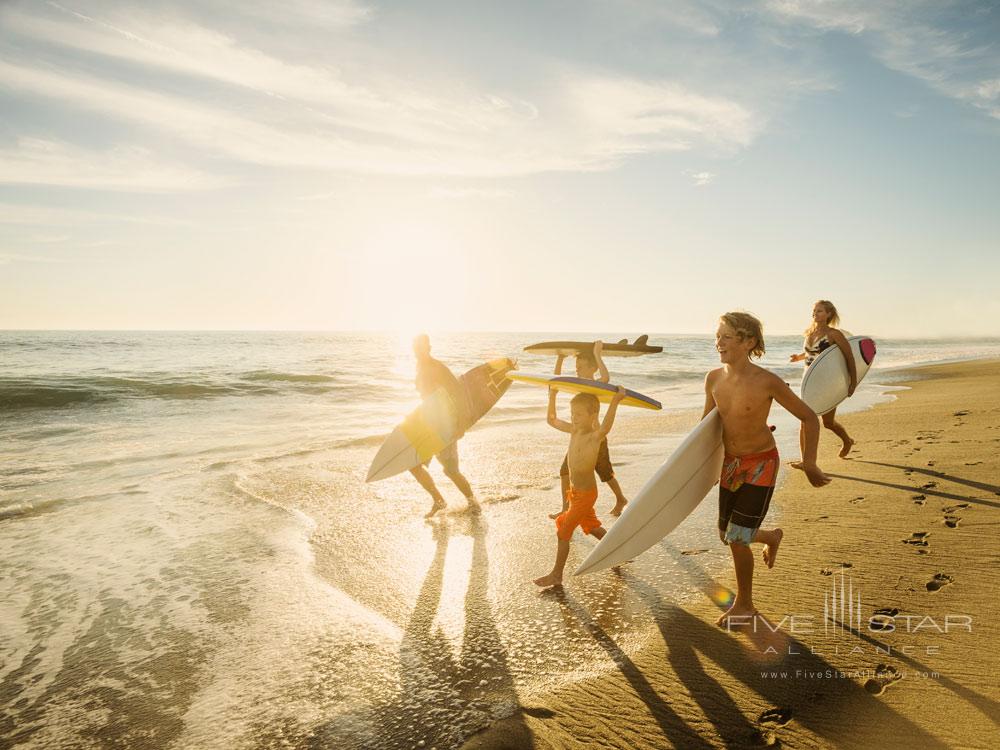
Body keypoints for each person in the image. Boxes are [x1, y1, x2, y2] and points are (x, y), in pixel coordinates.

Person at [705, 312, 830, 627]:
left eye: (726, 337)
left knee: (736, 537)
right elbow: (706, 428)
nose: (718, 343)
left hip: (761, 463)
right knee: (727, 535)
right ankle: (771, 537)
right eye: (717, 336)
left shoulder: (767, 381)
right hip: (731, 464)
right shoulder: (713, 379)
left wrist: (810, 461)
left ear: (748, 341)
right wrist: (700, 474)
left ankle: (745, 604)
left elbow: (809, 417)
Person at [534, 385, 626, 588]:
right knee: (592, 527)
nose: (574, 418)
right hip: (575, 493)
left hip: (586, 495)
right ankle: (618, 549)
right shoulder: (574, 430)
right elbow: (551, 420)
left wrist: (615, 401)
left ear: (593, 415)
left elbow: (606, 426)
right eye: (572, 413)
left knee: (563, 532)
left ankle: (556, 575)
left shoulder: (595, 436)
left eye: (579, 414)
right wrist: (553, 395)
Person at [554, 341, 629, 516]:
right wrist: (560, 359)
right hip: (579, 437)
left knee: (605, 473)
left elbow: (606, 378)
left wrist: (597, 353)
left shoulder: (595, 385)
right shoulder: (578, 385)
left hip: (596, 438)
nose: (577, 370)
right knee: (564, 471)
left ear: (592, 368)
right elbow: (556, 382)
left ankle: (620, 498)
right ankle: (566, 508)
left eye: (580, 367)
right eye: (576, 366)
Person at [408, 334, 480, 518]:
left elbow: (458, 393)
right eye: (415, 347)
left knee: (451, 471)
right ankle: (439, 501)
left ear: (429, 347)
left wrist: (461, 425)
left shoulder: (437, 367)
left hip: (444, 425)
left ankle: (473, 503)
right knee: (413, 465)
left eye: (421, 347)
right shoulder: (419, 367)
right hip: (428, 424)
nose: (418, 350)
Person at [789, 300, 857, 458]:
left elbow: (849, 357)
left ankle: (847, 440)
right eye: (814, 311)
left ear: (828, 314)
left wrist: (852, 382)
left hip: (827, 383)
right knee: (804, 421)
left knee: (828, 423)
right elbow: (812, 353)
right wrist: (798, 357)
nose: (814, 314)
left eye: (819, 311)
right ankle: (805, 460)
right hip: (808, 382)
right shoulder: (809, 334)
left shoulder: (835, 334)